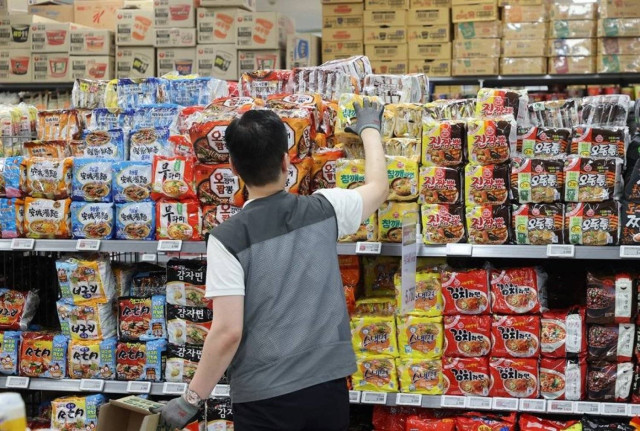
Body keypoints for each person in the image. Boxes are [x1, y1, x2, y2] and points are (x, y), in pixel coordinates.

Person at [156, 99, 388, 431]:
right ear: (286, 161)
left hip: (264, 399)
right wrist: (369, 128)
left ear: (234, 169)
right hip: (327, 389)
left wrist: (191, 399)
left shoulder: (227, 238)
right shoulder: (325, 209)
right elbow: (378, 188)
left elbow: (227, 332)